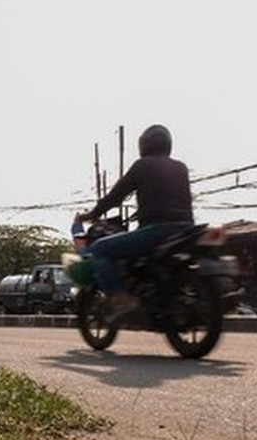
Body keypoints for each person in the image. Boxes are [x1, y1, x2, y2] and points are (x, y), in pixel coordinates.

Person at [78, 124, 194, 318]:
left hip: (156, 232)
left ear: (144, 145)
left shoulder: (142, 165)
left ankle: (122, 297)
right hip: (186, 230)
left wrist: (92, 214)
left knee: (98, 249)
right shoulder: (180, 167)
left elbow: (115, 197)